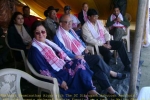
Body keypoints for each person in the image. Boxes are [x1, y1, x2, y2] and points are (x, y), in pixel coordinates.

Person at [53, 14, 127, 96]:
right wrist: (75, 56)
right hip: (73, 60)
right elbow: (63, 52)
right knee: (96, 58)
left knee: (97, 68)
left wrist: (84, 47)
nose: (70, 24)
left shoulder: (71, 31)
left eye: (71, 21)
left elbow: (79, 40)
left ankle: (110, 90)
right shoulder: (58, 36)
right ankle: (111, 73)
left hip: (82, 54)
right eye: (67, 22)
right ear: (60, 24)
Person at [28, 20, 100, 99]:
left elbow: (58, 55)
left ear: (46, 32)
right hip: (56, 74)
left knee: (80, 62)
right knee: (79, 69)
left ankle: (90, 89)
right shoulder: (35, 50)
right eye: (37, 33)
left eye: (43, 32)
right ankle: (89, 90)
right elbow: (43, 71)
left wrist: (65, 58)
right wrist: (59, 81)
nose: (41, 34)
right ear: (33, 34)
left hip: (61, 66)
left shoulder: (47, 43)